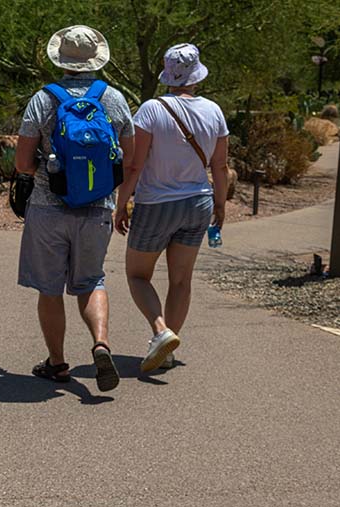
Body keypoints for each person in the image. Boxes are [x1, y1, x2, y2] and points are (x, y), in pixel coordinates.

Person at [16, 25, 135, 392]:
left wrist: (47, 179)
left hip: (48, 208)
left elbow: (22, 161)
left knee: (50, 288)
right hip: (97, 209)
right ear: (95, 60)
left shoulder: (43, 99)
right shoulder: (113, 99)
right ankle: (100, 343)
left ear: (61, 59)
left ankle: (57, 363)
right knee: (91, 281)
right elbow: (129, 159)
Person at [113, 43, 230, 372]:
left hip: (157, 203)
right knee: (181, 280)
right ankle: (168, 347)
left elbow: (134, 165)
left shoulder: (151, 109)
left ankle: (161, 331)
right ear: (196, 75)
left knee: (138, 275)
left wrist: (122, 204)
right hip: (198, 202)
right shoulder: (214, 111)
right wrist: (220, 205)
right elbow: (220, 167)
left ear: (167, 74)